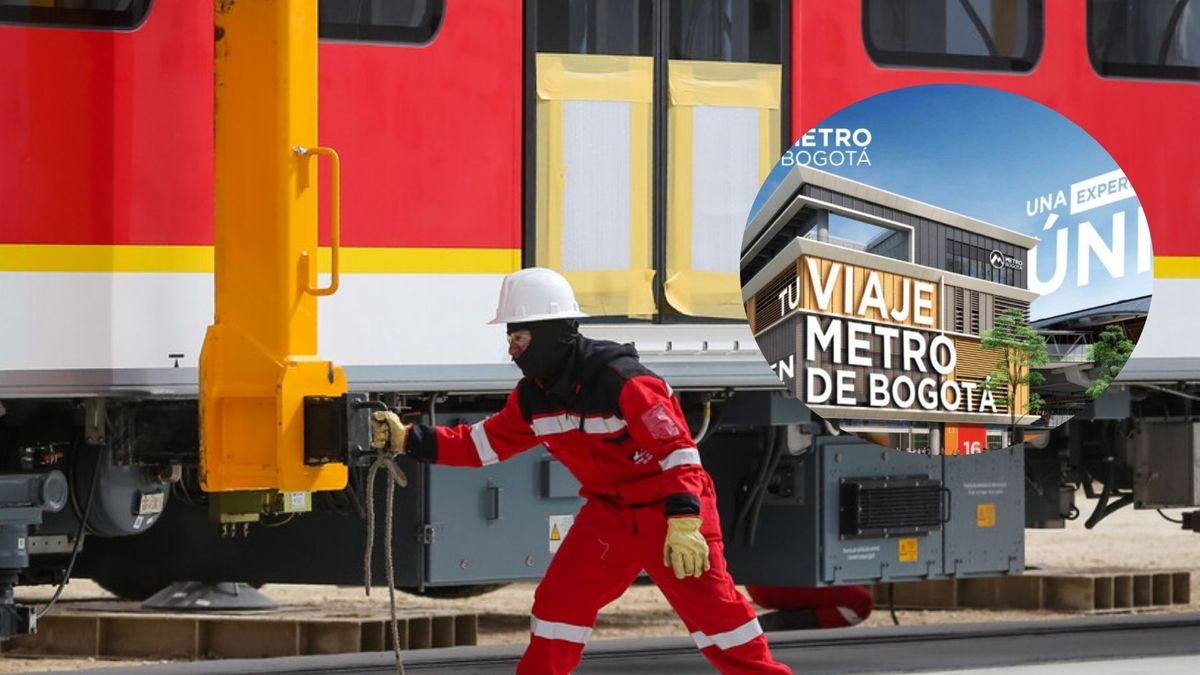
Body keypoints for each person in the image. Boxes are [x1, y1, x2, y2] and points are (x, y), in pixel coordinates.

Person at [372, 267, 791, 674]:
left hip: (669, 513)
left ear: (552, 334)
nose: (513, 349)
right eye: (510, 337)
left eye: (520, 337)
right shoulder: (534, 398)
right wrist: (408, 439)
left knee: (718, 619)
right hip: (609, 514)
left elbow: (678, 451)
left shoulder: (623, 382)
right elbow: (480, 445)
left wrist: (684, 519)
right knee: (559, 603)